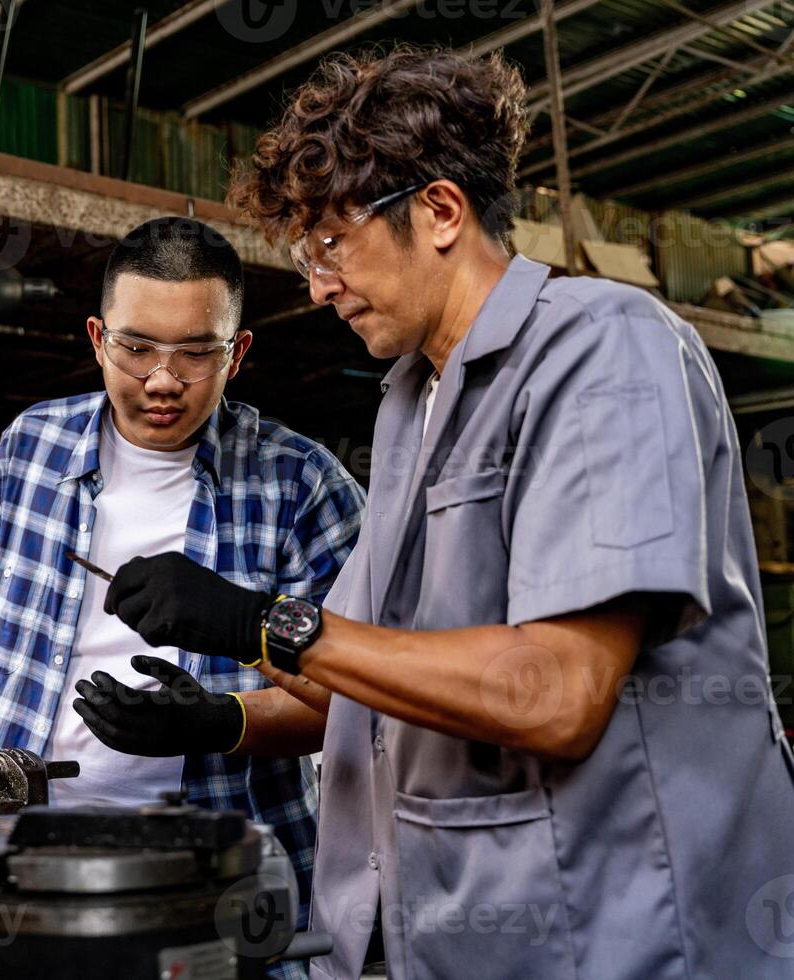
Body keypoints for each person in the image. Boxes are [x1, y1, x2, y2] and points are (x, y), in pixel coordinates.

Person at [76, 48, 794, 978]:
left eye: (332, 245)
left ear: (441, 211)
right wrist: (224, 708)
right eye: (306, 256)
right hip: (447, 943)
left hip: (617, 936)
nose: (320, 284)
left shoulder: (606, 352)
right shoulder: (411, 401)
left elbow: (558, 693)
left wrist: (261, 621)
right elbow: (367, 679)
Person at [0, 216, 365, 957]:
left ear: (236, 354)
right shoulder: (30, 448)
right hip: (27, 859)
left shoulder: (304, 484)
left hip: (221, 882)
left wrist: (218, 721)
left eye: (195, 353)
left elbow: (363, 699)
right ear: (97, 338)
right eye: (136, 348)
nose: (163, 380)